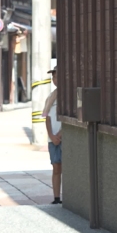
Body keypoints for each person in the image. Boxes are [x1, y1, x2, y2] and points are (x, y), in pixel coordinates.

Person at [42, 67, 62, 205]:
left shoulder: (67, 96)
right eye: (53, 78)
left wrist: (60, 135)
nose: (55, 80)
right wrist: (51, 135)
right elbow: (47, 117)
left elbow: (68, 117)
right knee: (56, 167)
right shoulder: (51, 96)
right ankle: (56, 197)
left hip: (63, 137)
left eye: (57, 77)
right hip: (52, 138)